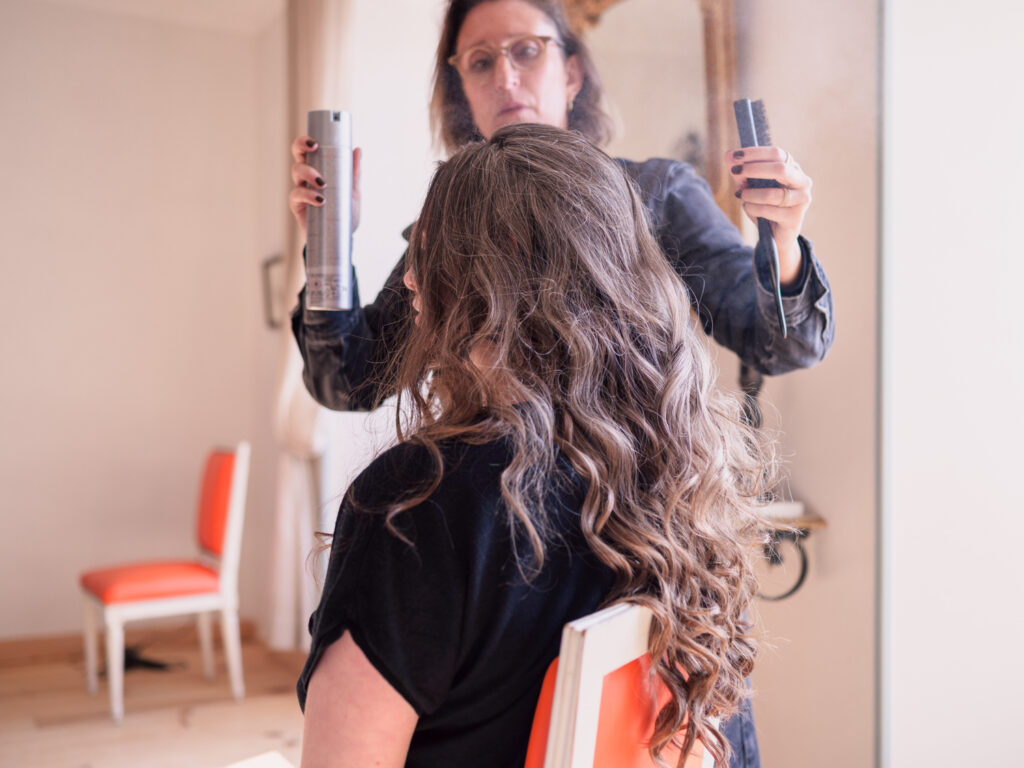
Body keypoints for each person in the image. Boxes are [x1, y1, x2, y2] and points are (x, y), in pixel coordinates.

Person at [297, 123, 773, 768]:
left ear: (486, 273)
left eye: (427, 252)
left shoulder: (417, 503)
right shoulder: (679, 475)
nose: (409, 280)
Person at [289, 0, 833, 414]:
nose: (504, 78)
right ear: (463, 91)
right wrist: (329, 243)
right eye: (480, 62)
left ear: (571, 74)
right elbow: (348, 381)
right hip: (484, 523)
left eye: (526, 51)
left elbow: (783, 346)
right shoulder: (444, 227)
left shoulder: (658, 194)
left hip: (628, 523)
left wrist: (782, 242)